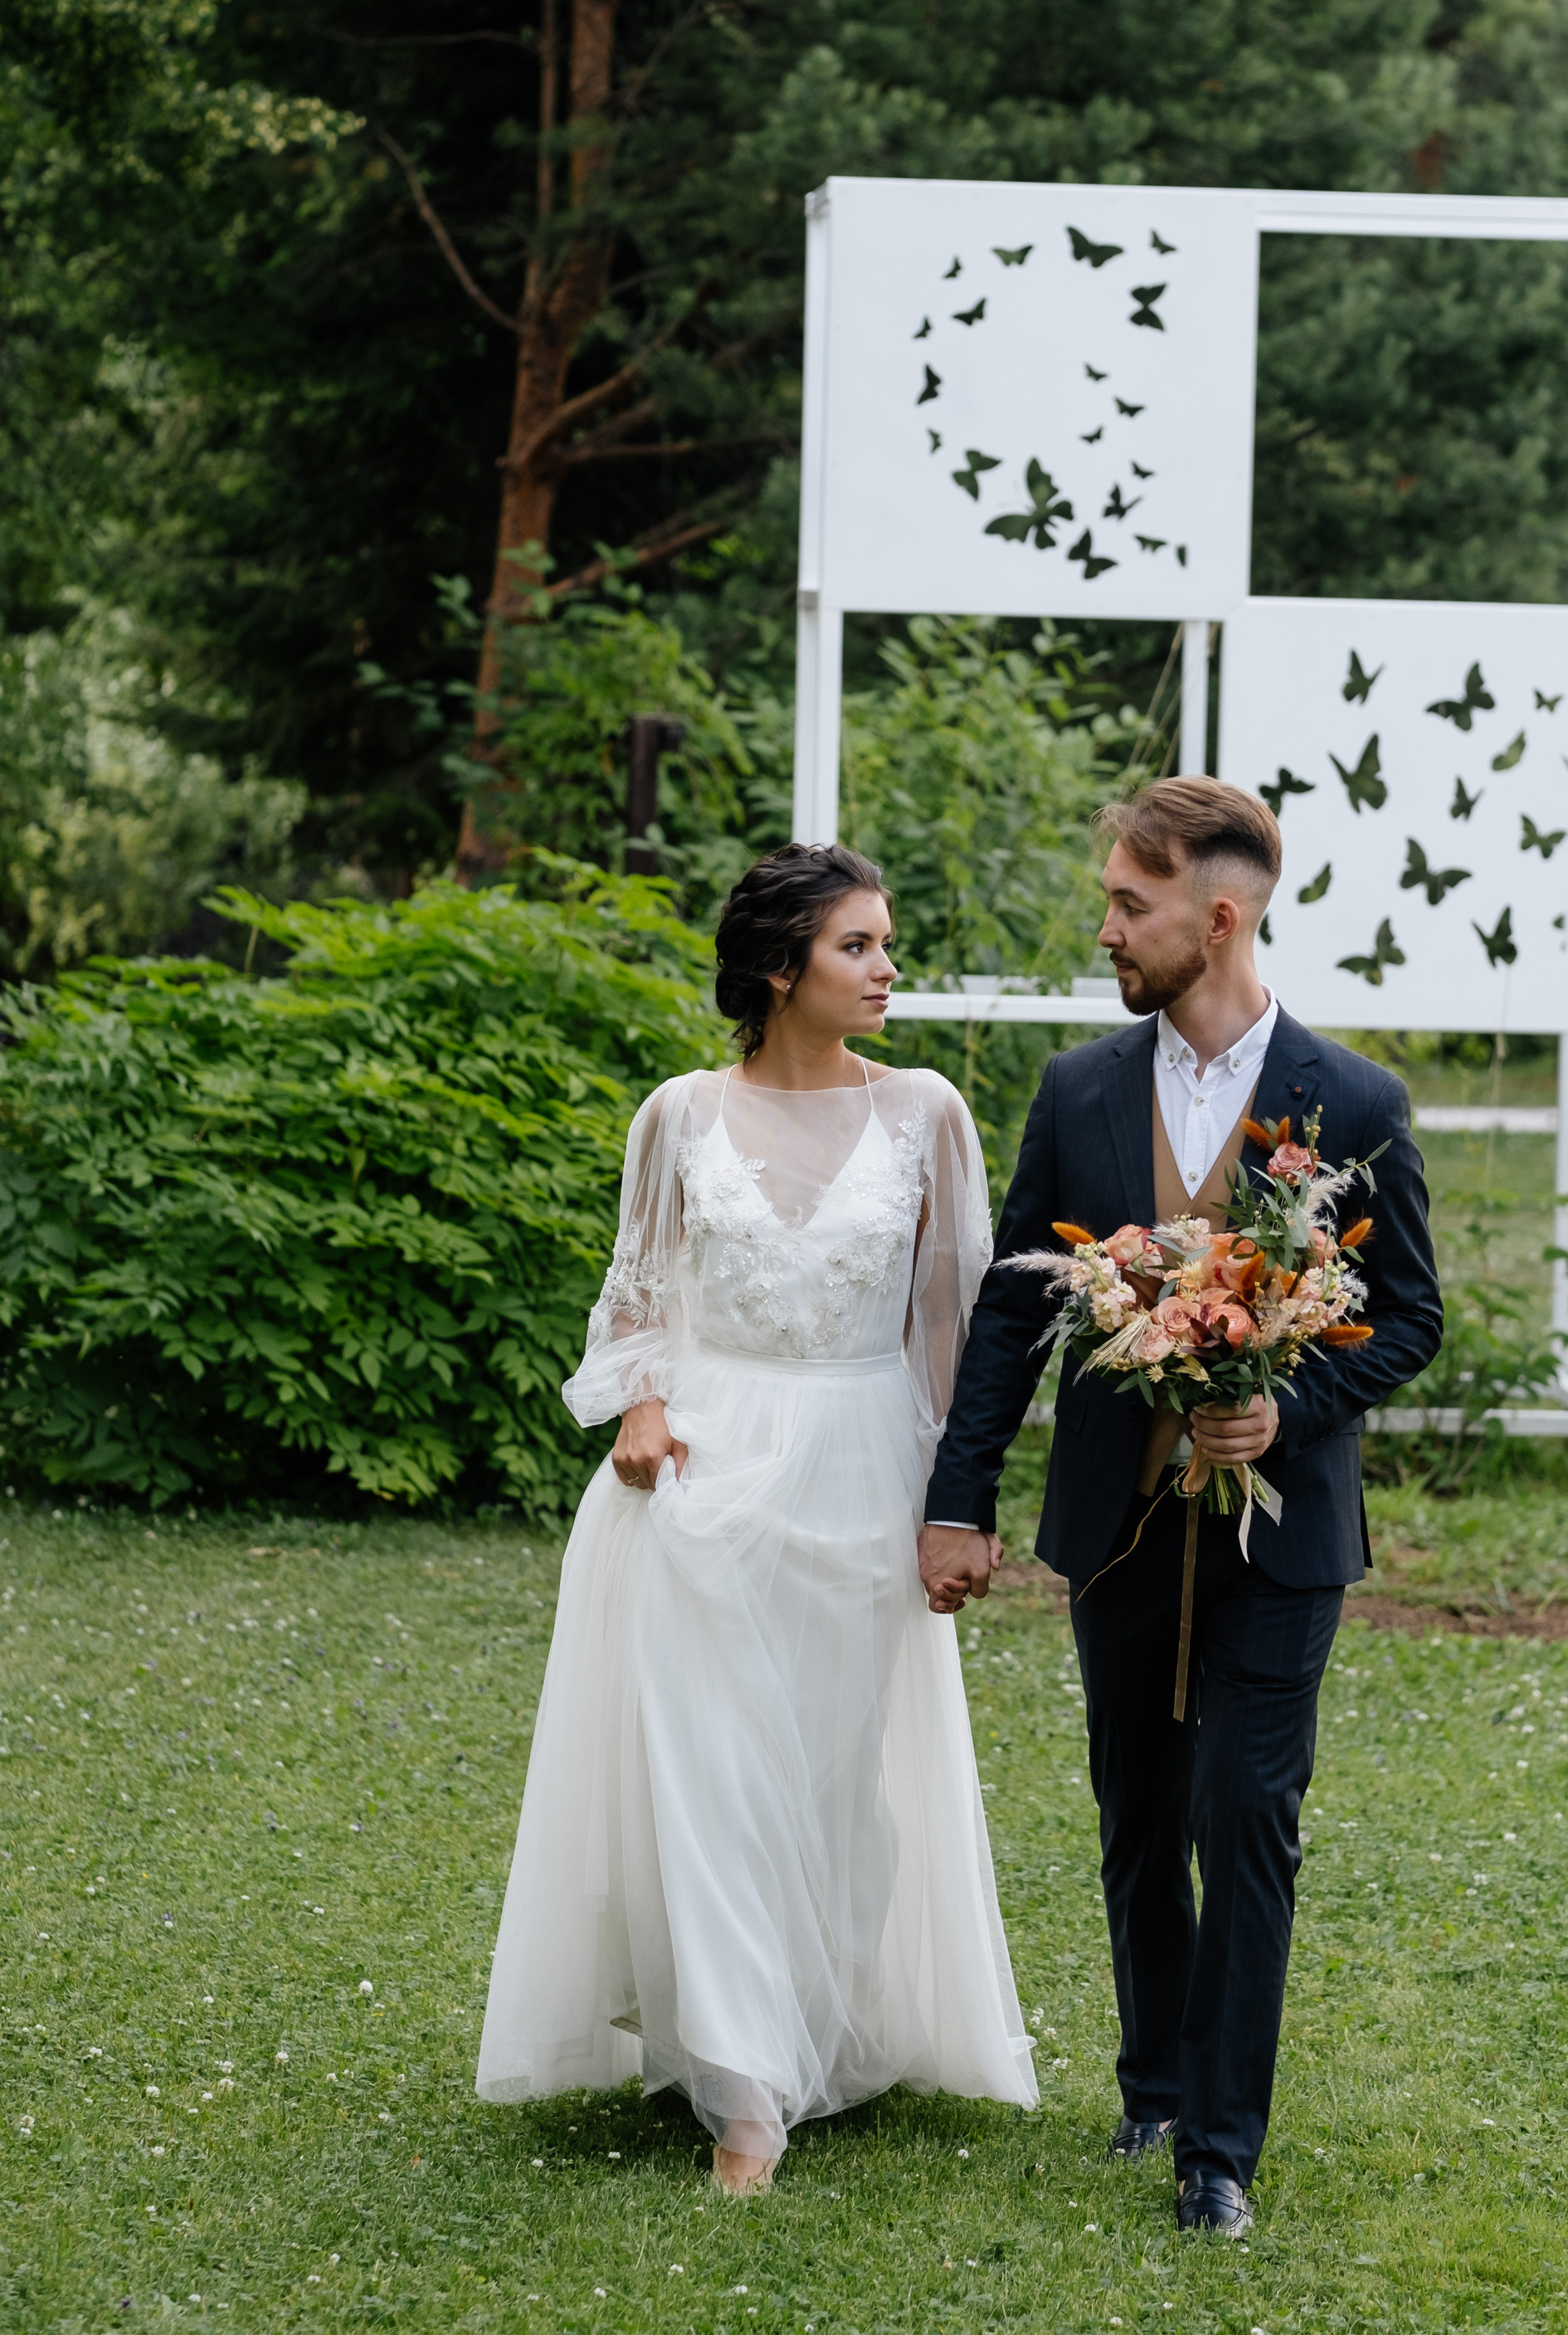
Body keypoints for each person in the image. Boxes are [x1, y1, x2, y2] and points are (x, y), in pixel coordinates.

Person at [919, 777, 1443, 2239]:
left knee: (1246, 1819)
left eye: (1127, 906)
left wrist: (1296, 1404)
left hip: (1283, 1542)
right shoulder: (1080, 1091)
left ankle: (1219, 2149)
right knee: (1140, 1818)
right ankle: (1151, 2085)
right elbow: (1014, 1310)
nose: (1105, 929)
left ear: (1215, 917)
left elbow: (1407, 1316)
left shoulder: (1354, 1103)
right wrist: (955, 1502)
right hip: (1120, 1525)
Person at [477, 842, 1037, 2193]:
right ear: (780, 968)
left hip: (861, 1465)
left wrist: (959, 1505)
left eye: (885, 943)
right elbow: (633, 1302)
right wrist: (641, 1408)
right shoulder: (677, 1113)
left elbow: (956, 1328)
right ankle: (743, 2094)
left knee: (837, 1787)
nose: (887, 967)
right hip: (703, 1475)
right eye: (858, 946)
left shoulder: (926, 1114)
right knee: (711, 1777)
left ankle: (817, 2023)